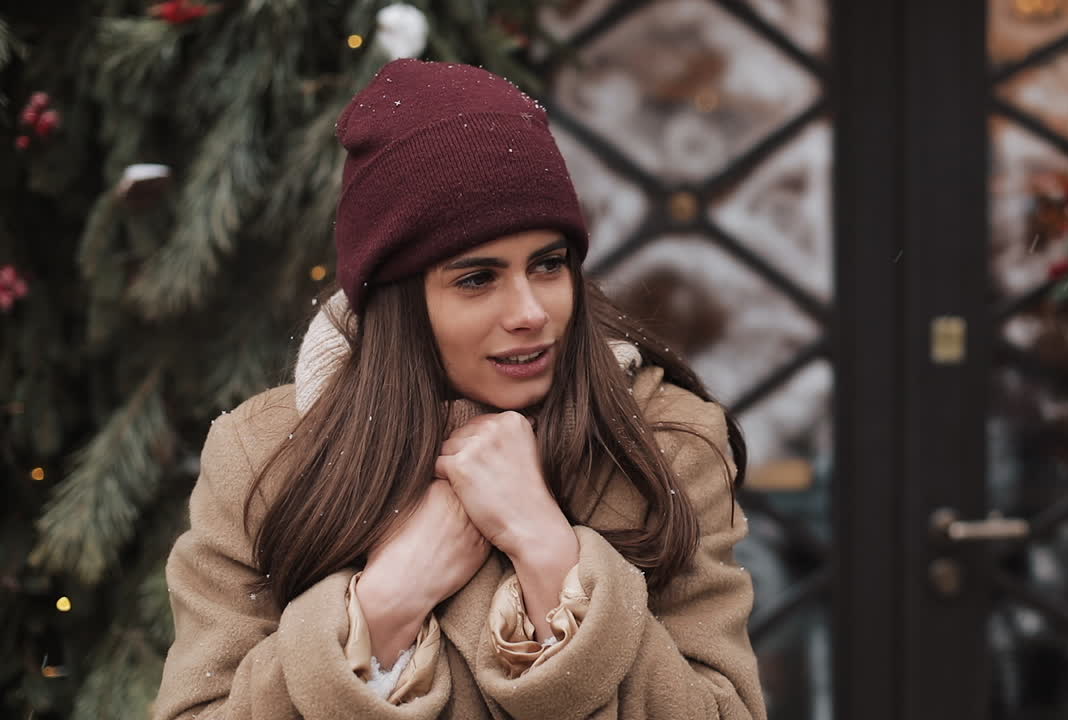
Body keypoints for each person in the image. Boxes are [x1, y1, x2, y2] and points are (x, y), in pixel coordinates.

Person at [153, 58, 766, 719]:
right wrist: (382, 608)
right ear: (399, 301)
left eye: (549, 264)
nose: (530, 310)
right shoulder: (266, 454)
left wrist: (551, 555)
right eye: (477, 279)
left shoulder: (664, 441)